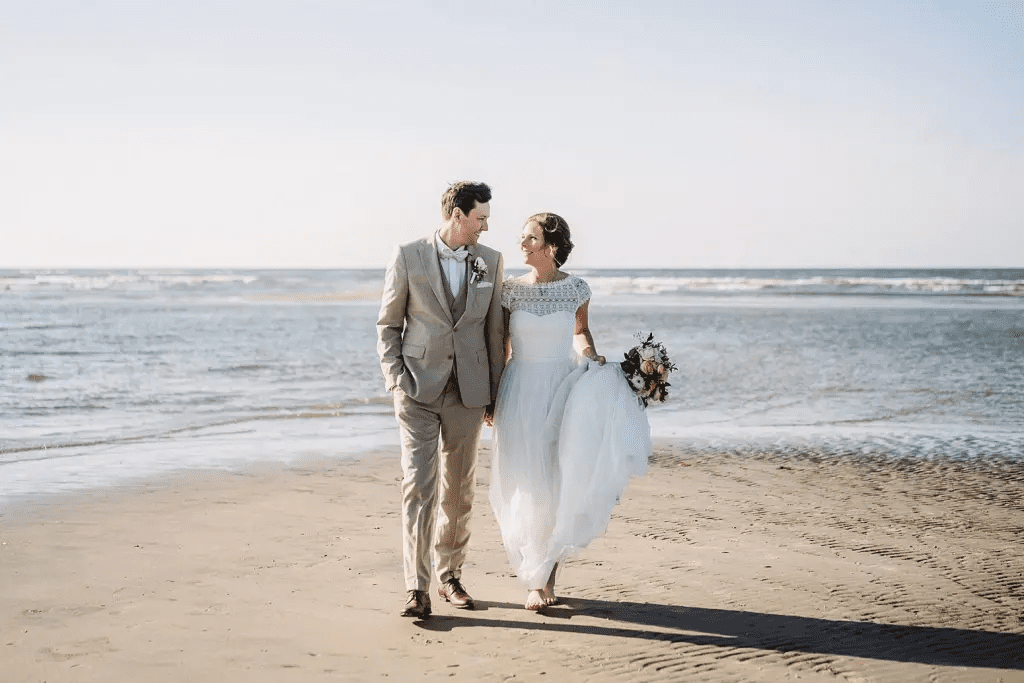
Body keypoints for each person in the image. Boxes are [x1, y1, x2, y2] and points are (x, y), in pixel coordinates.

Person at [489, 212, 652, 611]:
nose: (523, 245)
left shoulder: (577, 289)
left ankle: (546, 577)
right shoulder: (509, 291)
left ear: (553, 246)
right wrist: (491, 398)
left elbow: (580, 333)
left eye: (531, 238)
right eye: (522, 238)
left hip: (562, 389)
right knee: (526, 482)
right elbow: (502, 347)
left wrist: (593, 358)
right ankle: (532, 577)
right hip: (519, 392)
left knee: (558, 482)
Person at [377, 181, 506, 618]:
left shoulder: (490, 262)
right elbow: (388, 324)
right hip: (416, 390)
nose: (485, 228)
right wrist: (396, 378)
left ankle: (450, 575)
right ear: (457, 215)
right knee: (419, 486)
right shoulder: (408, 255)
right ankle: (417, 587)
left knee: (459, 490)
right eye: (480, 219)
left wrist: (494, 393)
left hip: (468, 393)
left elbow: (493, 333)